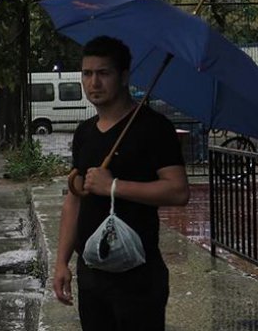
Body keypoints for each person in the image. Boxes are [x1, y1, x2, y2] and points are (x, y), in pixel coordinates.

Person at [53, 36, 190, 331]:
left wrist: (114, 186)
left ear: (124, 76)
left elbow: (178, 190)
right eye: (87, 73)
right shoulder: (84, 133)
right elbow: (74, 199)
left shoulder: (154, 128)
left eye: (104, 73)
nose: (94, 83)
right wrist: (61, 262)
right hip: (91, 274)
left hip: (139, 277)